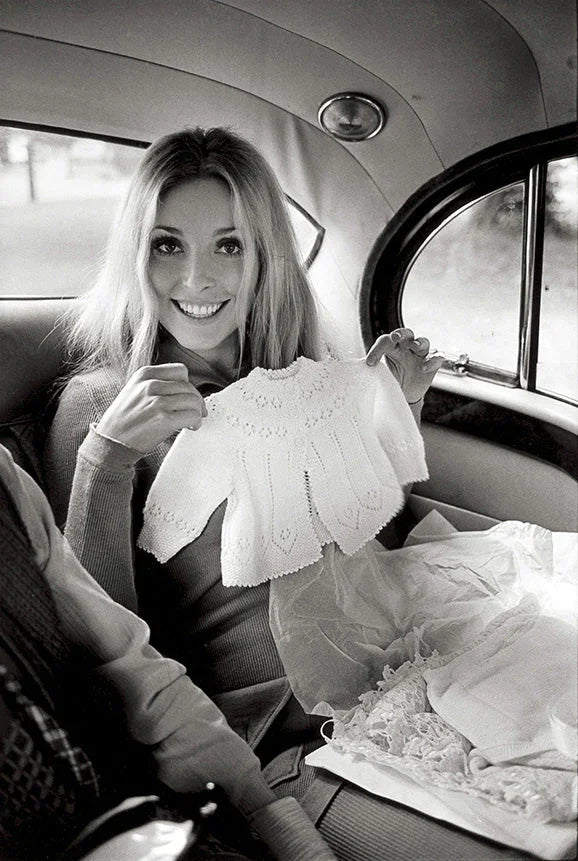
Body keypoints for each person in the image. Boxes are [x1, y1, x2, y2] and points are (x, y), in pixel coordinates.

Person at [44, 127, 444, 858]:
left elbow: (361, 550)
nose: (195, 278)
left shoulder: (306, 373)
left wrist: (396, 409)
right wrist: (108, 458)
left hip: (402, 680)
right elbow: (105, 651)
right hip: (287, 749)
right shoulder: (100, 406)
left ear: (264, 255)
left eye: (227, 245)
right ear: (136, 254)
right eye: (168, 244)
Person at [0, 442, 336, 859]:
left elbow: (134, 670)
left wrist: (275, 825)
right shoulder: (101, 404)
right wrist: (105, 463)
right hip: (280, 734)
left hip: (155, 812)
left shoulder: (4, 482)